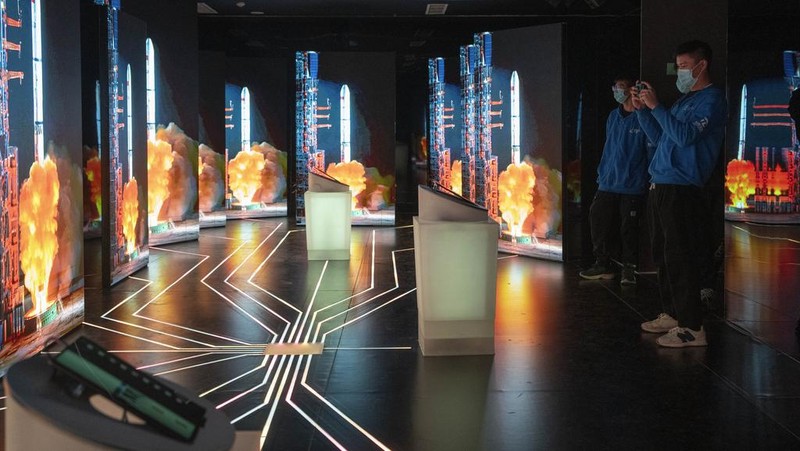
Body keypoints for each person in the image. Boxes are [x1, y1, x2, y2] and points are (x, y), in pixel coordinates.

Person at [632, 40, 727, 348]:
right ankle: (673, 312)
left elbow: (685, 137)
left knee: (681, 256)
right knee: (664, 254)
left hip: (683, 188)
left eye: (685, 66)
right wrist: (642, 111)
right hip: (661, 183)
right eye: (679, 66)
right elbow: (662, 137)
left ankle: (692, 326)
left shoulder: (711, 101)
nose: (681, 72)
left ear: (702, 66)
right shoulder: (684, 101)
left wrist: (656, 106)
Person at [580, 76, 654, 285]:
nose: (616, 92)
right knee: (598, 217)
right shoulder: (613, 116)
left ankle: (629, 268)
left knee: (628, 227)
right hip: (607, 181)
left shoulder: (643, 117)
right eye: (615, 88)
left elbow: (651, 148)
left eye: (620, 88)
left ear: (632, 89)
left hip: (632, 184)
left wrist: (648, 180)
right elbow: (609, 147)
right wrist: (602, 173)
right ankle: (602, 262)